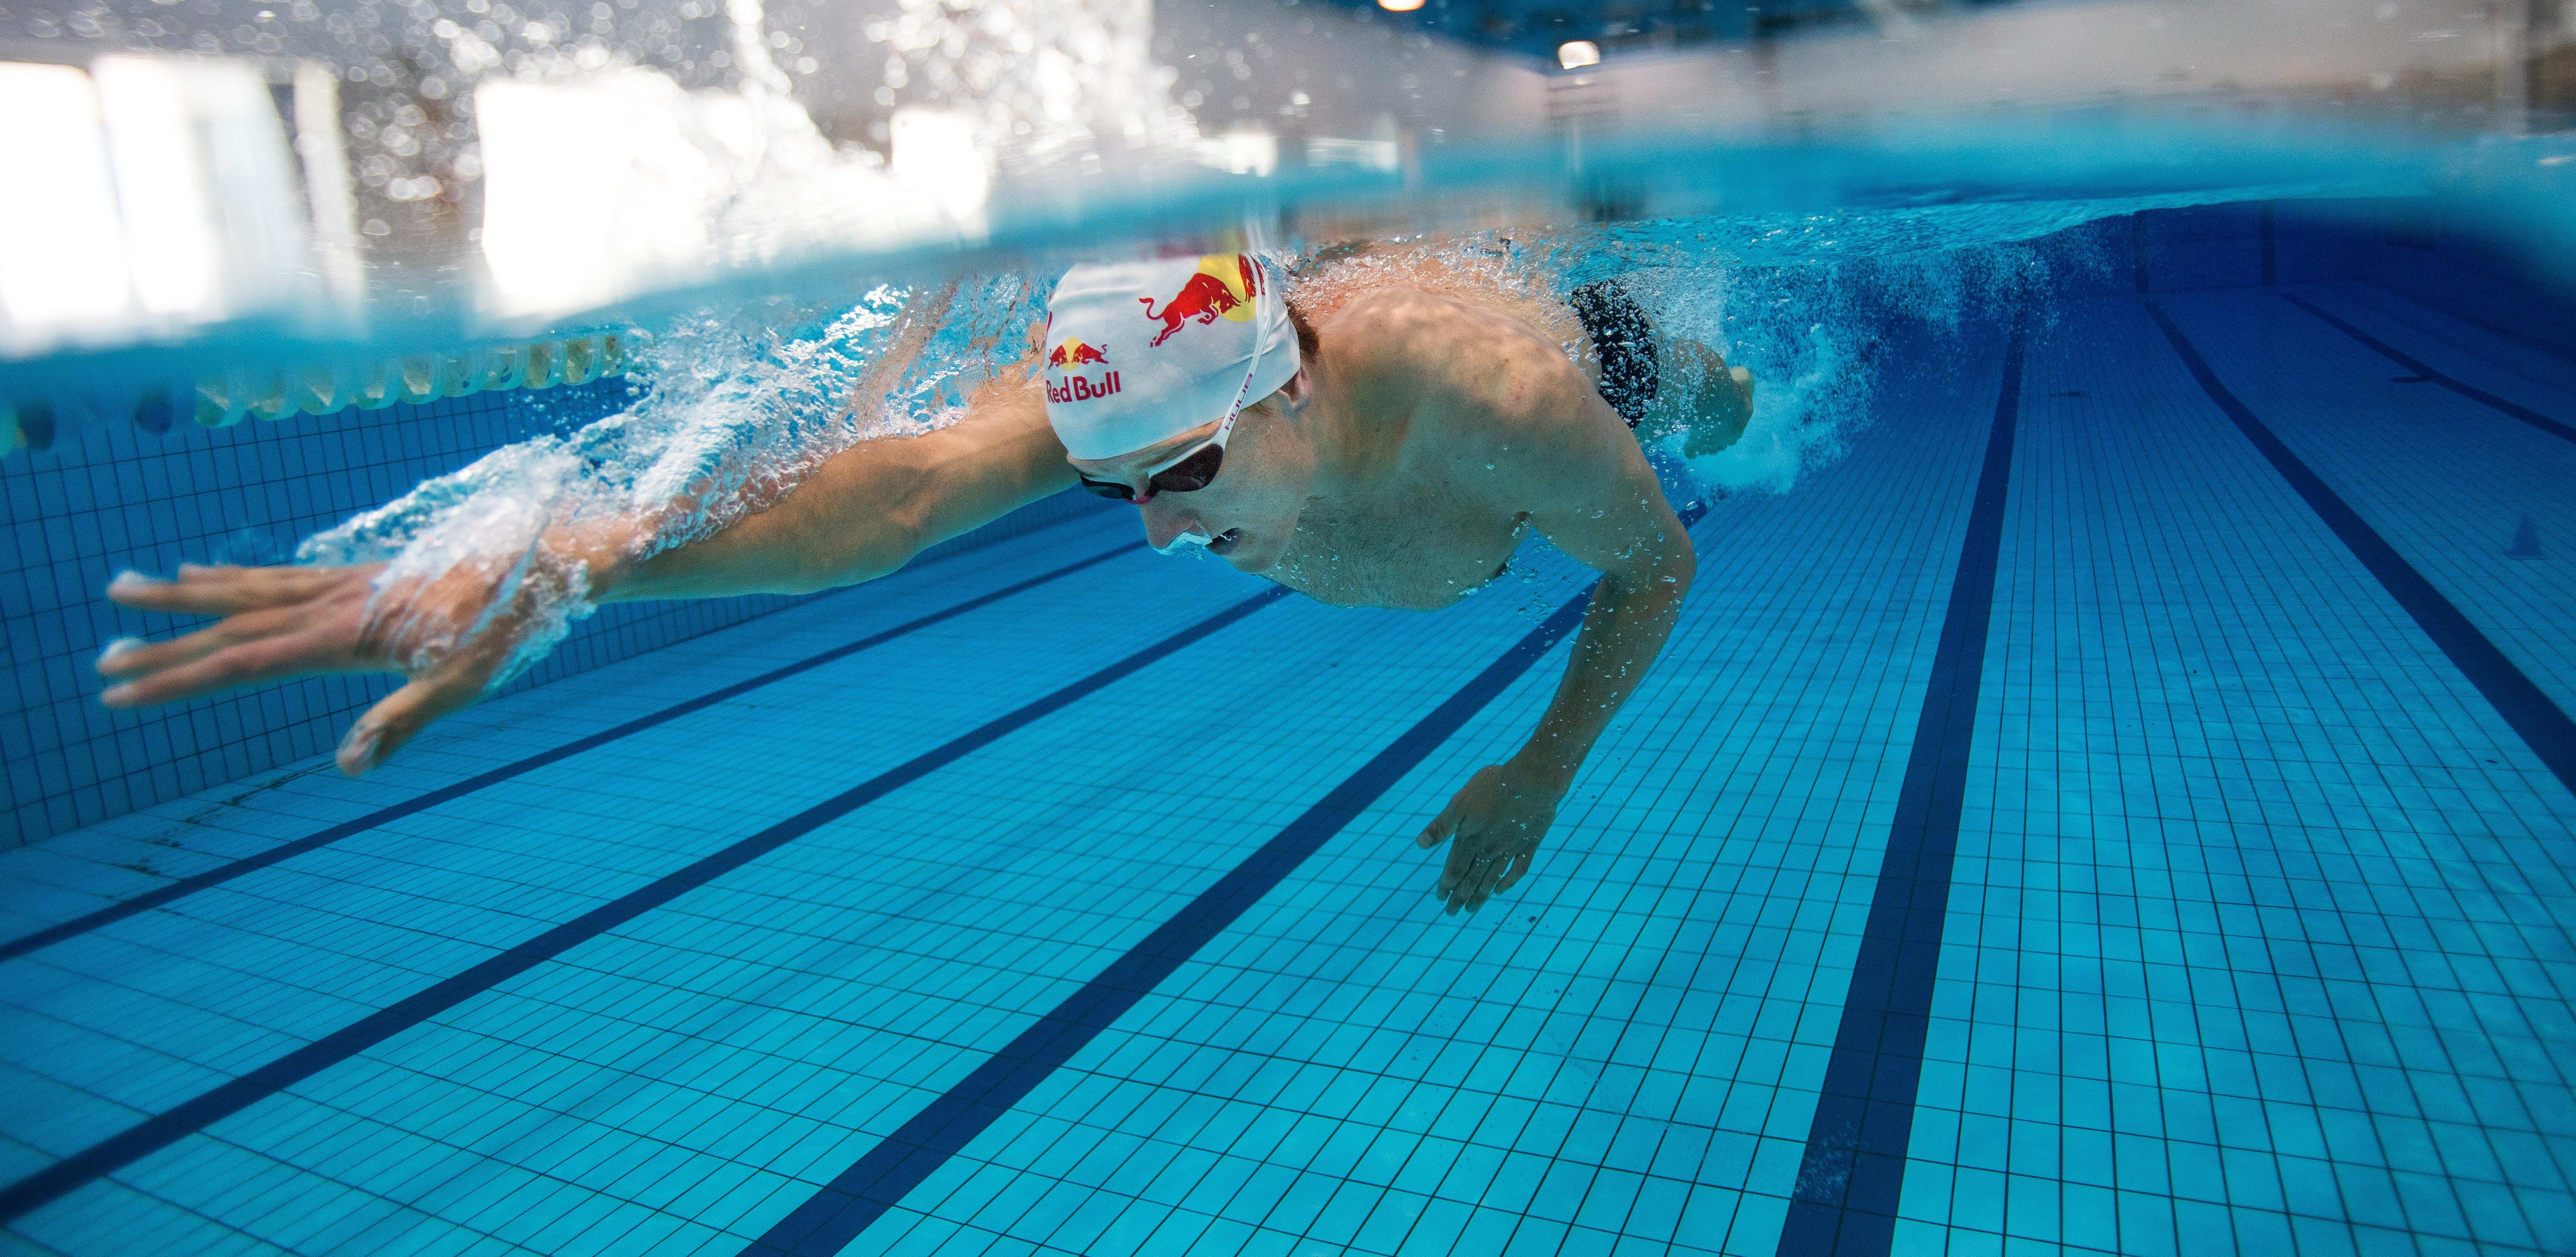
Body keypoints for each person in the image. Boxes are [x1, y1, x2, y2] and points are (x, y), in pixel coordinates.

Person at [96, 247, 1755, 915]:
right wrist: (569, 572)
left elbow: (1654, 566)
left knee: (1717, 410)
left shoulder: (1504, 408)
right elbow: (895, 495)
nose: (1153, 534)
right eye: (1113, 489)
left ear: (1293, 394)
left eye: (1182, 479)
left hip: (1581, 349)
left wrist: (1540, 768)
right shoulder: (1153, 394)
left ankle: (1727, 362)